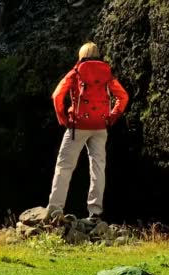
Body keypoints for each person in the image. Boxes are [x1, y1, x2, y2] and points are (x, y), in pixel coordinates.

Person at [46, 42, 129, 222]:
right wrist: (112, 117)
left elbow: (57, 95)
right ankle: (95, 212)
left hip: (78, 125)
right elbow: (123, 96)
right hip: (100, 126)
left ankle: (55, 210)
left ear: (81, 55)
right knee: (98, 167)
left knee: (64, 167)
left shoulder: (76, 72)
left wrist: (64, 119)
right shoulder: (107, 72)